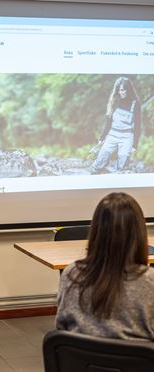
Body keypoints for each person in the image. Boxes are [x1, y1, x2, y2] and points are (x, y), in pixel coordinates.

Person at [56, 192, 154, 340]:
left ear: (96, 230)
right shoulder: (149, 281)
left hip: (81, 362)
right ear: (139, 233)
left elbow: (62, 327)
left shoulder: (72, 274)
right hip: (136, 362)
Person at [91, 77, 141, 174]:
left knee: (123, 166)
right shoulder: (113, 101)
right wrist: (102, 139)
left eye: (122, 90)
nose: (120, 92)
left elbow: (138, 126)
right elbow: (108, 123)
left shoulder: (135, 104)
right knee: (100, 161)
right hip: (112, 134)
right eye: (118, 90)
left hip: (127, 136)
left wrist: (135, 145)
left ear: (128, 89)